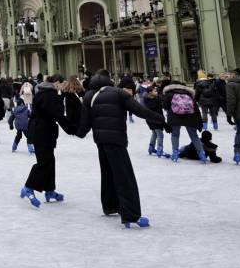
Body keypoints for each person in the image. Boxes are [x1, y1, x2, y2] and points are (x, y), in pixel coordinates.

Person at [76, 73, 166, 228]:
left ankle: (110, 205)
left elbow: (85, 124)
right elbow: (139, 110)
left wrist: (77, 132)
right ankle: (131, 215)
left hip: (101, 142)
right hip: (116, 141)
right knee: (125, 177)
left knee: (108, 173)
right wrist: (161, 120)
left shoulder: (89, 96)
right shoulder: (118, 93)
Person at [20, 75, 75, 208]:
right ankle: (28, 187)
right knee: (44, 162)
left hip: (44, 131)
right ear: (57, 83)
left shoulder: (44, 92)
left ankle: (49, 190)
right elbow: (58, 114)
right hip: (42, 132)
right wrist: (72, 129)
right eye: (62, 84)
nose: (62, 87)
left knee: (50, 161)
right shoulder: (49, 95)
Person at [162, 80, 206, 162]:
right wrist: (200, 121)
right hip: (190, 116)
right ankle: (201, 154)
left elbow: (165, 106)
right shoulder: (188, 93)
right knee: (194, 136)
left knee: (175, 135)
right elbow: (195, 108)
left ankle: (175, 153)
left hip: (174, 116)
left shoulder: (169, 93)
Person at [142, 83, 166, 157]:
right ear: (150, 92)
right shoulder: (155, 100)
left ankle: (151, 147)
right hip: (156, 119)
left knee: (154, 133)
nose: (157, 92)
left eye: (156, 91)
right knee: (160, 135)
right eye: (155, 91)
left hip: (150, 119)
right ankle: (160, 149)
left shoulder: (147, 99)